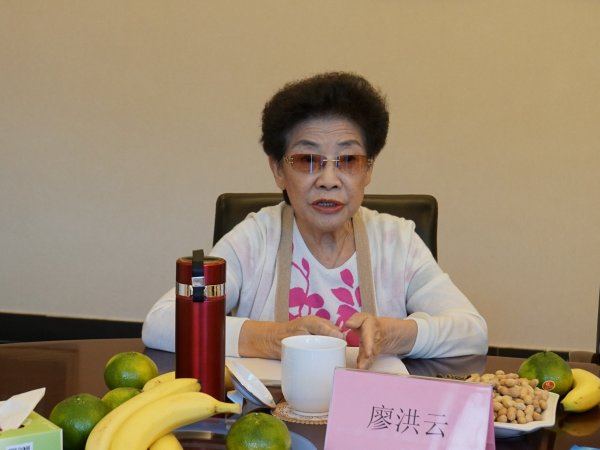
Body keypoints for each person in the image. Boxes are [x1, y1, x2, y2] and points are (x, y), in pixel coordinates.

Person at [142, 72, 488, 369]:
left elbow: (472, 331)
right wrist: (275, 337)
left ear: (368, 169)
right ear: (278, 170)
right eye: (308, 159)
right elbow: (161, 322)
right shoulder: (254, 237)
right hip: (267, 419)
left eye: (348, 160)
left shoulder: (397, 240)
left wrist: (394, 335)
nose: (328, 180)